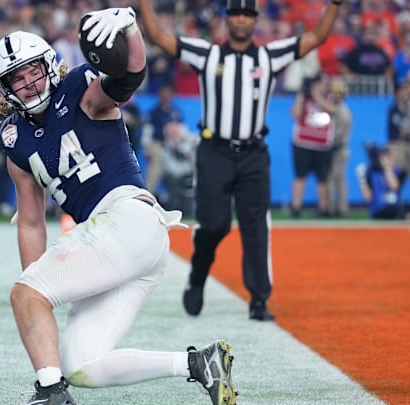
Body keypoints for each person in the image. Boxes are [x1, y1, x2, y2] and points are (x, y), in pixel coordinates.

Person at [0, 8, 236, 405]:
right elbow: (31, 223)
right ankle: (200, 364)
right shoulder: (15, 139)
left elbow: (129, 76)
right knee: (80, 363)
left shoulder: (79, 89)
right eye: (17, 77)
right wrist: (39, 287)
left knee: (25, 295)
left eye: (33, 70)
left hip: (126, 218)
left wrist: (131, 29)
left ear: (50, 65)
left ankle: (50, 395)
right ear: (5, 87)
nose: (29, 82)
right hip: (127, 243)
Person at [139, 0, 342, 321]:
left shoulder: (269, 55)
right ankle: (198, 275)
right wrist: (145, 5)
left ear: (255, 20)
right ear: (227, 18)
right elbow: (161, 38)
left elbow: (315, 38)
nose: (242, 20)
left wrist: (333, 5)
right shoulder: (208, 54)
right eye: (236, 13)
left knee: (256, 227)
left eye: (248, 14)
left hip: (253, 153)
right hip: (215, 151)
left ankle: (259, 300)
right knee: (214, 224)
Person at [289, 75, 337, 218]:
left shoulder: (331, 96)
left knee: (323, 178)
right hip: (302, 143)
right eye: (319, 83)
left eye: (324, 83)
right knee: (300, 176)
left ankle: (323, 207)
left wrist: (316, 95)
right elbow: (295, 114)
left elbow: (332, 110)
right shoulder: (304, 98)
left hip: (322, 145)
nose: (322, 86)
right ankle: (296, 206)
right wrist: (300, 96)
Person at [356, 144, 408, 219]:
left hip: (396, 209)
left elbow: (394, 187)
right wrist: (362, 180)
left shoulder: (400, 172)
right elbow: (368, 198)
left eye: (393, 155)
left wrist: (387, 168)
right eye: (388, 155)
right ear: (381, 157)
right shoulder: (372, 173)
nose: (391, 158)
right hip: (379, 210)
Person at [326, 77, 352, 217]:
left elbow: (338, 134)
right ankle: (337, 207)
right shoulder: (337, 108)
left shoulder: (342, 111)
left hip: (339, 148)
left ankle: (337, 208)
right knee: (337, 179)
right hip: (338, 147)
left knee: (335, 178)